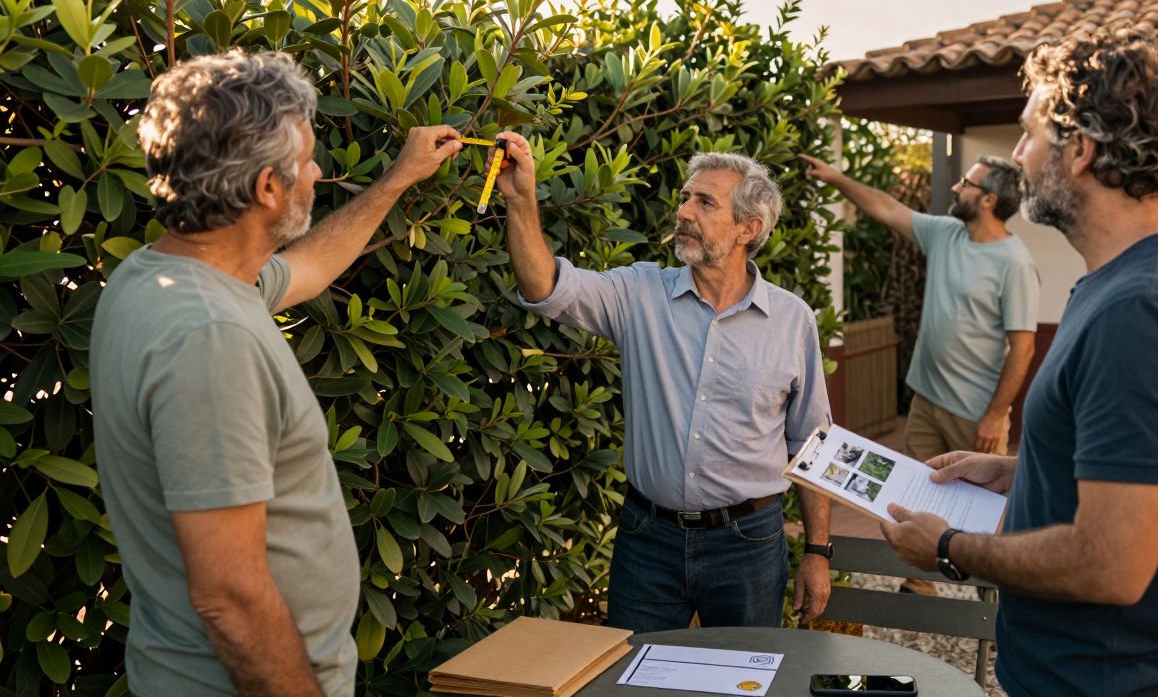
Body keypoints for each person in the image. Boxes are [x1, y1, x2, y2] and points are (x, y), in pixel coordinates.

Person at [880, 31, 1158, 696]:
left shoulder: (1146, 308)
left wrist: (946, 547)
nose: (1018, 158)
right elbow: (1143, 468)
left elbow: (1110, 564)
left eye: (1028, 137)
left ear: (1079, 151)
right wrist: (1021, 467)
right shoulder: (1135, 281)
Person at [90, 50, 463, 696]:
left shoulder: (167, 277)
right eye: (308, 160)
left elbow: (309, 267)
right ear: (268, 187)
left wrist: (399, 180)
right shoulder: (209, 338)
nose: (317, 172)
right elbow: (228, 600)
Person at [501, 139, 834, 631]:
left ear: (749, 228)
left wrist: (818, 552)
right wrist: (520, 199)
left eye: (704, 202)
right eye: (684, 198)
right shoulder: (639, 293)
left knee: (743, 682)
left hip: (749, 543)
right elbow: (546, 287)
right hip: (647, 537)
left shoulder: (792, 320)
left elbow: (812, 443)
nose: (683, 212)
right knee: (635, 681)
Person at [800, 154, 1039, 460]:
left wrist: (994, 416)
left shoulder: (1015, 262)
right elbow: (887, 208)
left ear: (989, 200)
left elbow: (1023, 348)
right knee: (918, 496)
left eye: (966, 184)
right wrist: (836, 178)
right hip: (925, 402)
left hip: (973, 412)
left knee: (975, 503)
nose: (955, 187)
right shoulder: (944, 234)